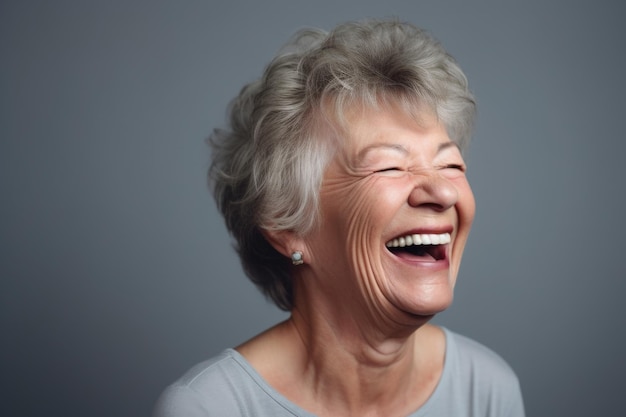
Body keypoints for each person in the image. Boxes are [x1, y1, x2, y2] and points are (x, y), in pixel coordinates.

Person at [153, 19, 525, 417]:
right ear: (287, 224)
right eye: (390, 168)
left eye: (450, 163)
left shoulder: (486, 390)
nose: (445, 192)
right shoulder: (207, 408)